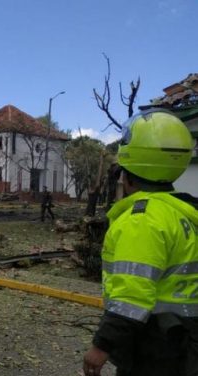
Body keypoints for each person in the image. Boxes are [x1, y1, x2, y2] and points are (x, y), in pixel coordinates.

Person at [83, 109, 198, 376]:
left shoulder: (141, 220)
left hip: (155, 345)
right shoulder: (184, 213)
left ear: (127, 173)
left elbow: (131, 295)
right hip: (186, 342)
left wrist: (102, 346)